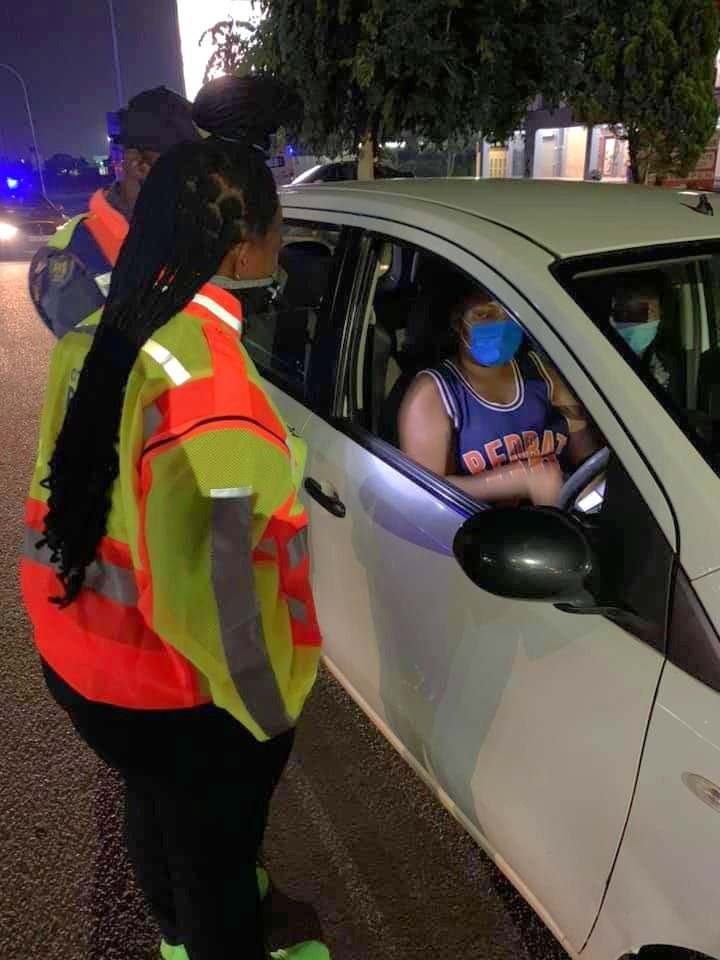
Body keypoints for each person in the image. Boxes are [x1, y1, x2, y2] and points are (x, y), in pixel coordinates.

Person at [20, 106, 329, 959]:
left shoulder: (99, 335)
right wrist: (268, 720)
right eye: (277, 226)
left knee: (155, 812)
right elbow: (221, 597)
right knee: (217, 869)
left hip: (80, 652)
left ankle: (169, 937)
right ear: (243, 252)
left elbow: (64, 495)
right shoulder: (213, 397)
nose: (280, 240)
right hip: (172, 691)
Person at [29, 86, 201, 339]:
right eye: (189, 169)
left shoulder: (183, 224)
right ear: (139, 165)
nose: (198, 181)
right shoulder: (78, 257)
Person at [399, 290, 598, 505]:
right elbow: (425, 493)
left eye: (509, 315)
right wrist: (521, 479)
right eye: (484, 315)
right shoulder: (433, 392)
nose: (501, 325)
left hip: (564, 516)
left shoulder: (543, 372)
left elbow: (588, 458)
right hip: (485, 529)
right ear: (458, 322)